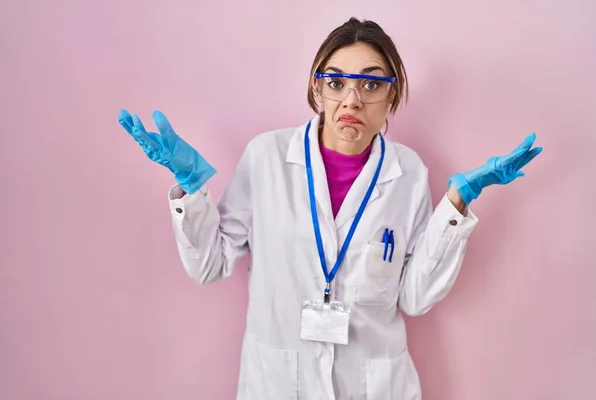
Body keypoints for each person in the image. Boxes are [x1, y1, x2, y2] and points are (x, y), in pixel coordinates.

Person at [118, 17, 541, 400]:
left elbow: (414, 298)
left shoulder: (407, 172)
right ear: (317, 89)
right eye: (336, 83)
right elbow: (209, 265)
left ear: (391, 94)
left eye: (371, 84)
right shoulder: (267, 157)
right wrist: (192, 189)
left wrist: (458, 200)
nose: (352, 99)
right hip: (279, 384)